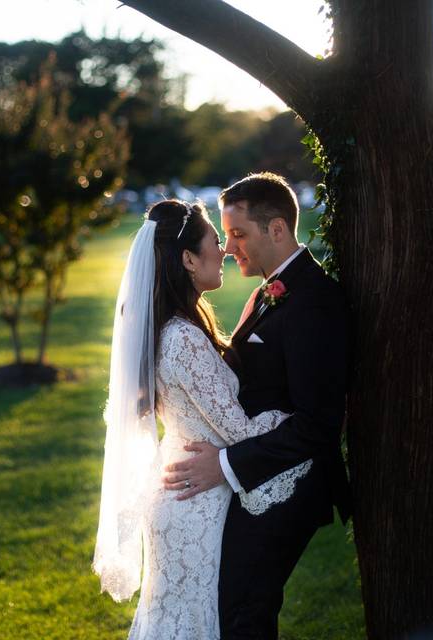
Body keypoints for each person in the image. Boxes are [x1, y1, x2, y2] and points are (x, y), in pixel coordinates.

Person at [93, 198, 313, 639]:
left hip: (184, 493)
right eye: (217, 240)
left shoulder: (172, 329)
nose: (226, 250)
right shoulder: (183, 341)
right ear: (189, 259)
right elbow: (240, 432)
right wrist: (301, 417)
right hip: (193, 502)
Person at [162, 172, 351, 639]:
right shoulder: (268, 292)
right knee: (237, 606)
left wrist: (225, 465)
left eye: (239, 234)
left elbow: (317, 424)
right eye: (225, 236)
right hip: (261, 471)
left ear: (278, 230)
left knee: (244, 608)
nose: (228, 247)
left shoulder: (315, 301)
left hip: (294, 480)